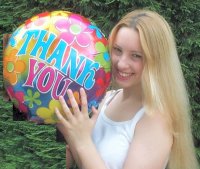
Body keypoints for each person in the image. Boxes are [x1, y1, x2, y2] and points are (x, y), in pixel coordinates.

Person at [55, 9, 199, 169]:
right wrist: (69, 138)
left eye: (136, 55)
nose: (121, 63)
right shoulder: (106, 99)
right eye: (117, 50)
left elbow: (85, 146)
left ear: (156, 62)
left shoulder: (156, 119)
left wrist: (82, 141)